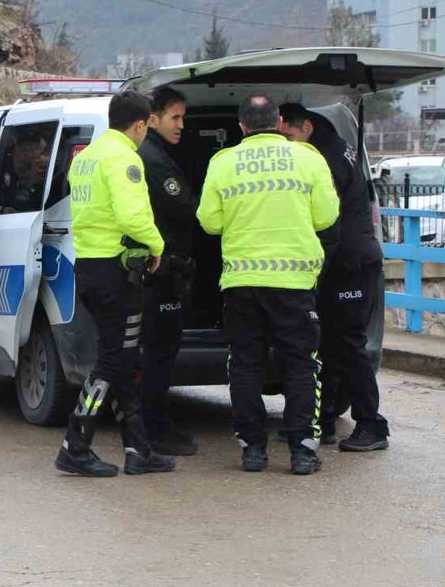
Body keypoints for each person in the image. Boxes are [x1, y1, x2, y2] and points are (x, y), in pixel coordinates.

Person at [196, 94, 339, 475]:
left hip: (242, 282)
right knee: (300, 365)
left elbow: (209, 222)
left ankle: (253, 450)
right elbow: (326, 217)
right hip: (294, 282)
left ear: (241, 127)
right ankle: (303, 450)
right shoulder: (308, 158)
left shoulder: (222, 162)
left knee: (244, 364)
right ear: (278, 122)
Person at [54, 90, 175, 477]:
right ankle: (75, 444)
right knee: (112, 361)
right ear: (140, 125)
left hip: (88, 266)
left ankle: (138, 449)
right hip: (116, 273)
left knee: (122, 359)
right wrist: (157, 245)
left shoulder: (87, 156)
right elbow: (132, 215)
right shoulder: (124, 158)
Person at [279, 102, 389, 452]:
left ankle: (372, 424)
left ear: (306, 127)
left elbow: (323, 219)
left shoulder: (324, 159)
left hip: (349, 265)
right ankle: (323, 420)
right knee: (326, 344)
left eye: (289, 135)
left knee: (347, 344)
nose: (286, 144)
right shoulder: (331, 145)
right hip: (342, 263)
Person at [137, 87, 198, 456]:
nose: (181, 125)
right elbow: (184, 207)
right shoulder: (153, 158)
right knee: (158, 352)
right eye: (175, 118)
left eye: (183, 118)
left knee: (159, 351)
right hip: (161, 272)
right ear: (153, 119)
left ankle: (155, 423)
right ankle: (153, 427)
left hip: (164, 270)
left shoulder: (156, 153)